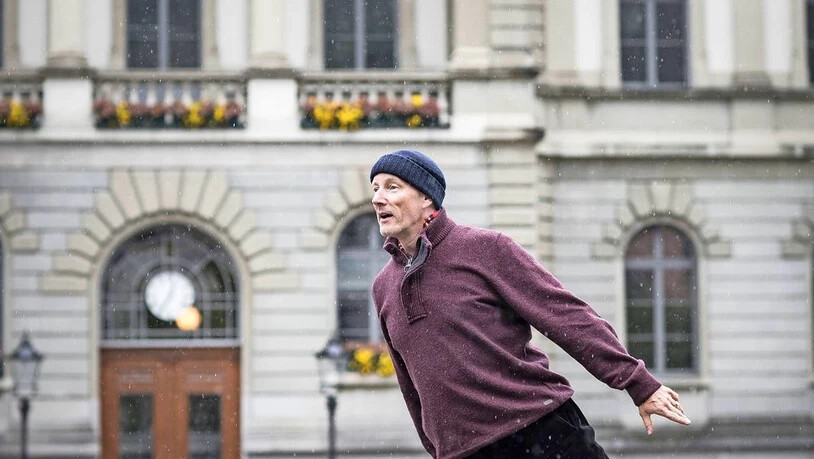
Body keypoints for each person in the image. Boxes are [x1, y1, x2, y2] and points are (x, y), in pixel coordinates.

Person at [369, 150, 691, 459]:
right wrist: (438, 448)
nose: (378, 198)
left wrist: (637, 383)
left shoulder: (484, 249)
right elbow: (409, 384)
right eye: (375, 189)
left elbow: (566, 316)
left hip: (540, 433)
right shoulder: (383, 287)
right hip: (463, 453)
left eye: (392, 187)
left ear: (427, 198)